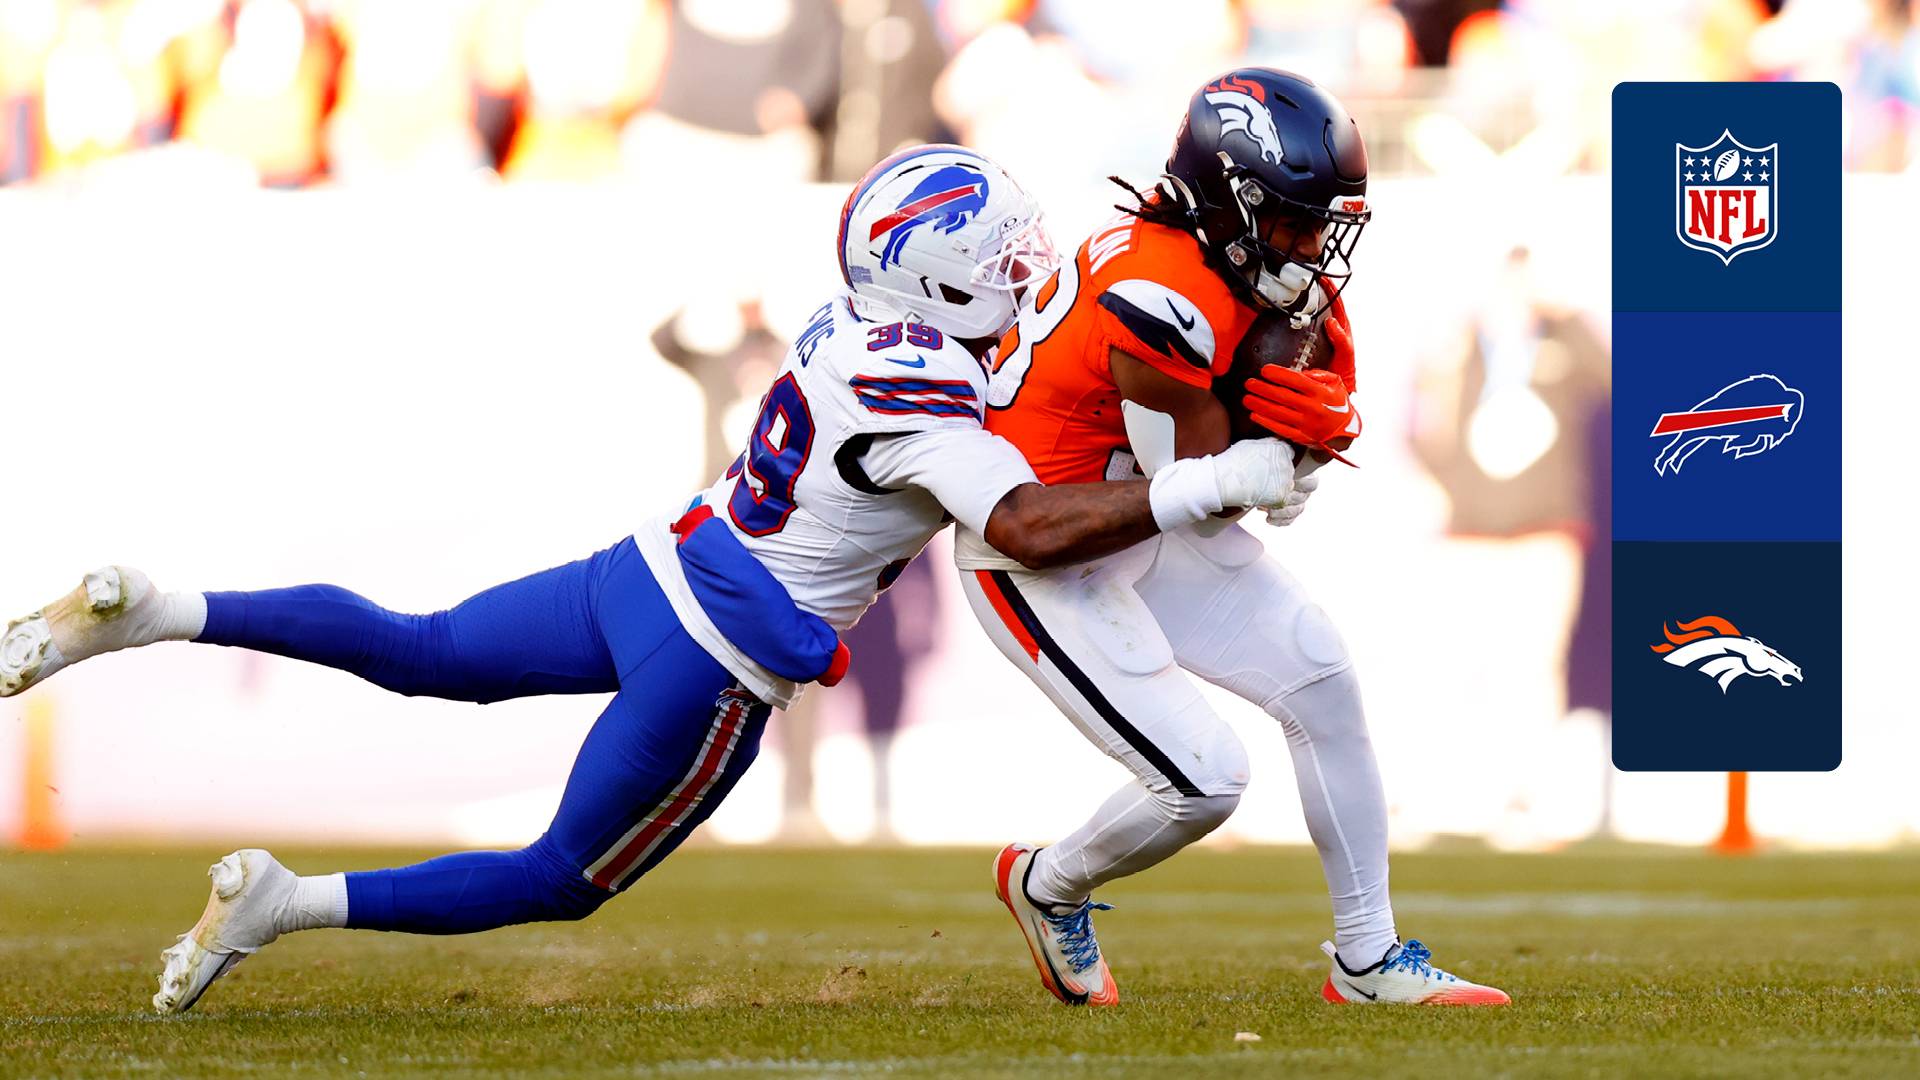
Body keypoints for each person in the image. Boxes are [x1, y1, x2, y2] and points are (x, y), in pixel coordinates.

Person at [0, 144, 1308, 1015]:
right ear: (941, 276)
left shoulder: (858, 322)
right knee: (561, 877)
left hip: (654, 568)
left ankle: (161, 609)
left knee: (420, 646)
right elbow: (1023, 522)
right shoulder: (928, 397)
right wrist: (1206, 482)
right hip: (715, 660)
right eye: (1004, 251)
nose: (1026, 266)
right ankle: (286, 905)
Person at [955, 69, 1510, 1006]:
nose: (1312, 247)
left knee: (1321, 677)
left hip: (1141, 507)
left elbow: (1235, 455)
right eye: (1293, 221)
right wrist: (1284, 457)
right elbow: (1203, 488)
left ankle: (1367, 958)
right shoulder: (1160, 292)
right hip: (1041, 547)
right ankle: (1048, 883)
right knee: (1205, 781)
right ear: (1229, 198)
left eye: (1322, 222)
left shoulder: (1230, 260)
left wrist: (1304, 444)